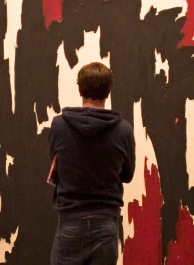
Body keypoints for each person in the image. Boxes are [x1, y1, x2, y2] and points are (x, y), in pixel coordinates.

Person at [48, 62, 136, 265]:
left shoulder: (59, 126)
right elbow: (128, 175)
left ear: (80, 88)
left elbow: (57, 163)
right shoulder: (123, 130)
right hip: (105, 224)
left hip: (71, 222)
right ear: (108, 91)